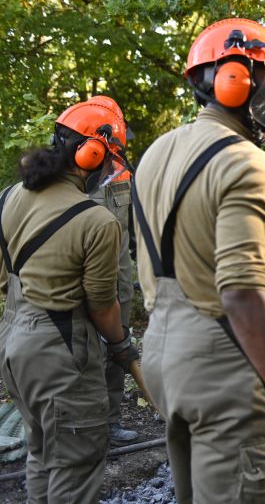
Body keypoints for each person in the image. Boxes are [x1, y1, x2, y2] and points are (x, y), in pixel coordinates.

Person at [132, 18, 265, 503]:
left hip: (160, 355)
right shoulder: (245, 160)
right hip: (219, 364)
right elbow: (240, 294)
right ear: (234, 79)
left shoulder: (155, 153)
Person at [0, 97, 139, 502]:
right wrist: (122, 347)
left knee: (42, 453)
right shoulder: (97, 221)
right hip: (62, 355)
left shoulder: (9, 197)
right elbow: (102, 306)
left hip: (13, 347)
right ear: (91, 152)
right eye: (107, 159)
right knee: (75, 468)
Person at [85, 95, 140, 446]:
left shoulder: (125, 174)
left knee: (119, 349)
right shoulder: (72, 177)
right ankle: (87, 427)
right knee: (86, 352)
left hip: (121, 281)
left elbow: (136, 230)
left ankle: (112, 421)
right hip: (87, 284)